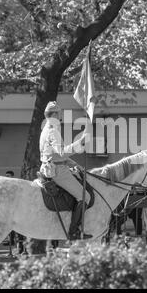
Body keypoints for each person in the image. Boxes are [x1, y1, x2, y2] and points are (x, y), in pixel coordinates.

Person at [39, 101, 91, 240]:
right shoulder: (52, 131)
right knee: (85, 196)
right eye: (60, 114)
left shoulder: (45, 129)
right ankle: (73, 231)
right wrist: (80, 142)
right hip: (57, 171)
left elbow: (55, 155)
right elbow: (62, 153)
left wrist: (76, 165)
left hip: (52, 166)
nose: (61, 117)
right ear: (55, 114)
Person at [4, 170, 25, 253]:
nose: (7, 177)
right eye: (6, 176)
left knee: (20, 232)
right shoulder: (6, 187)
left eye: (8, 176)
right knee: (11, 231)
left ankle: (21, 249)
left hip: (18, 211)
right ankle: (14, 248)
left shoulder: (16, 185)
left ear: (12, 176)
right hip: (10, 211)